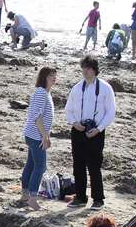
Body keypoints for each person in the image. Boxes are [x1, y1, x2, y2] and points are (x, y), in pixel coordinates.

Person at [64, 57, 115, 208]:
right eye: (83, 68)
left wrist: (99, 129)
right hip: (78, 130)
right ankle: (80, 197)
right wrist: (74, 123)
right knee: (78, 165)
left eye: (88, 68)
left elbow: (111, 112)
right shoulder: (77, 88)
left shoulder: (105, 88)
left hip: (96, 131)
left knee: (94, 166)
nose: (85, 71)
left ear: (94, 69)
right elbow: (68, 109)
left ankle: (98, 199)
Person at [21, 66, 56, 210]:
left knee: (31, 164)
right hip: (36, 136)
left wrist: (45, 134)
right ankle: (33, 198)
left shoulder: (43, 93)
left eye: (54, 75)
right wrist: (45, 136)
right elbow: (37, 118)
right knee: (40, 167)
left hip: (32, 134)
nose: (53, 78)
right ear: (43, 78)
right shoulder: (42, 93)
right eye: (50, 76)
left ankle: (25, 194)